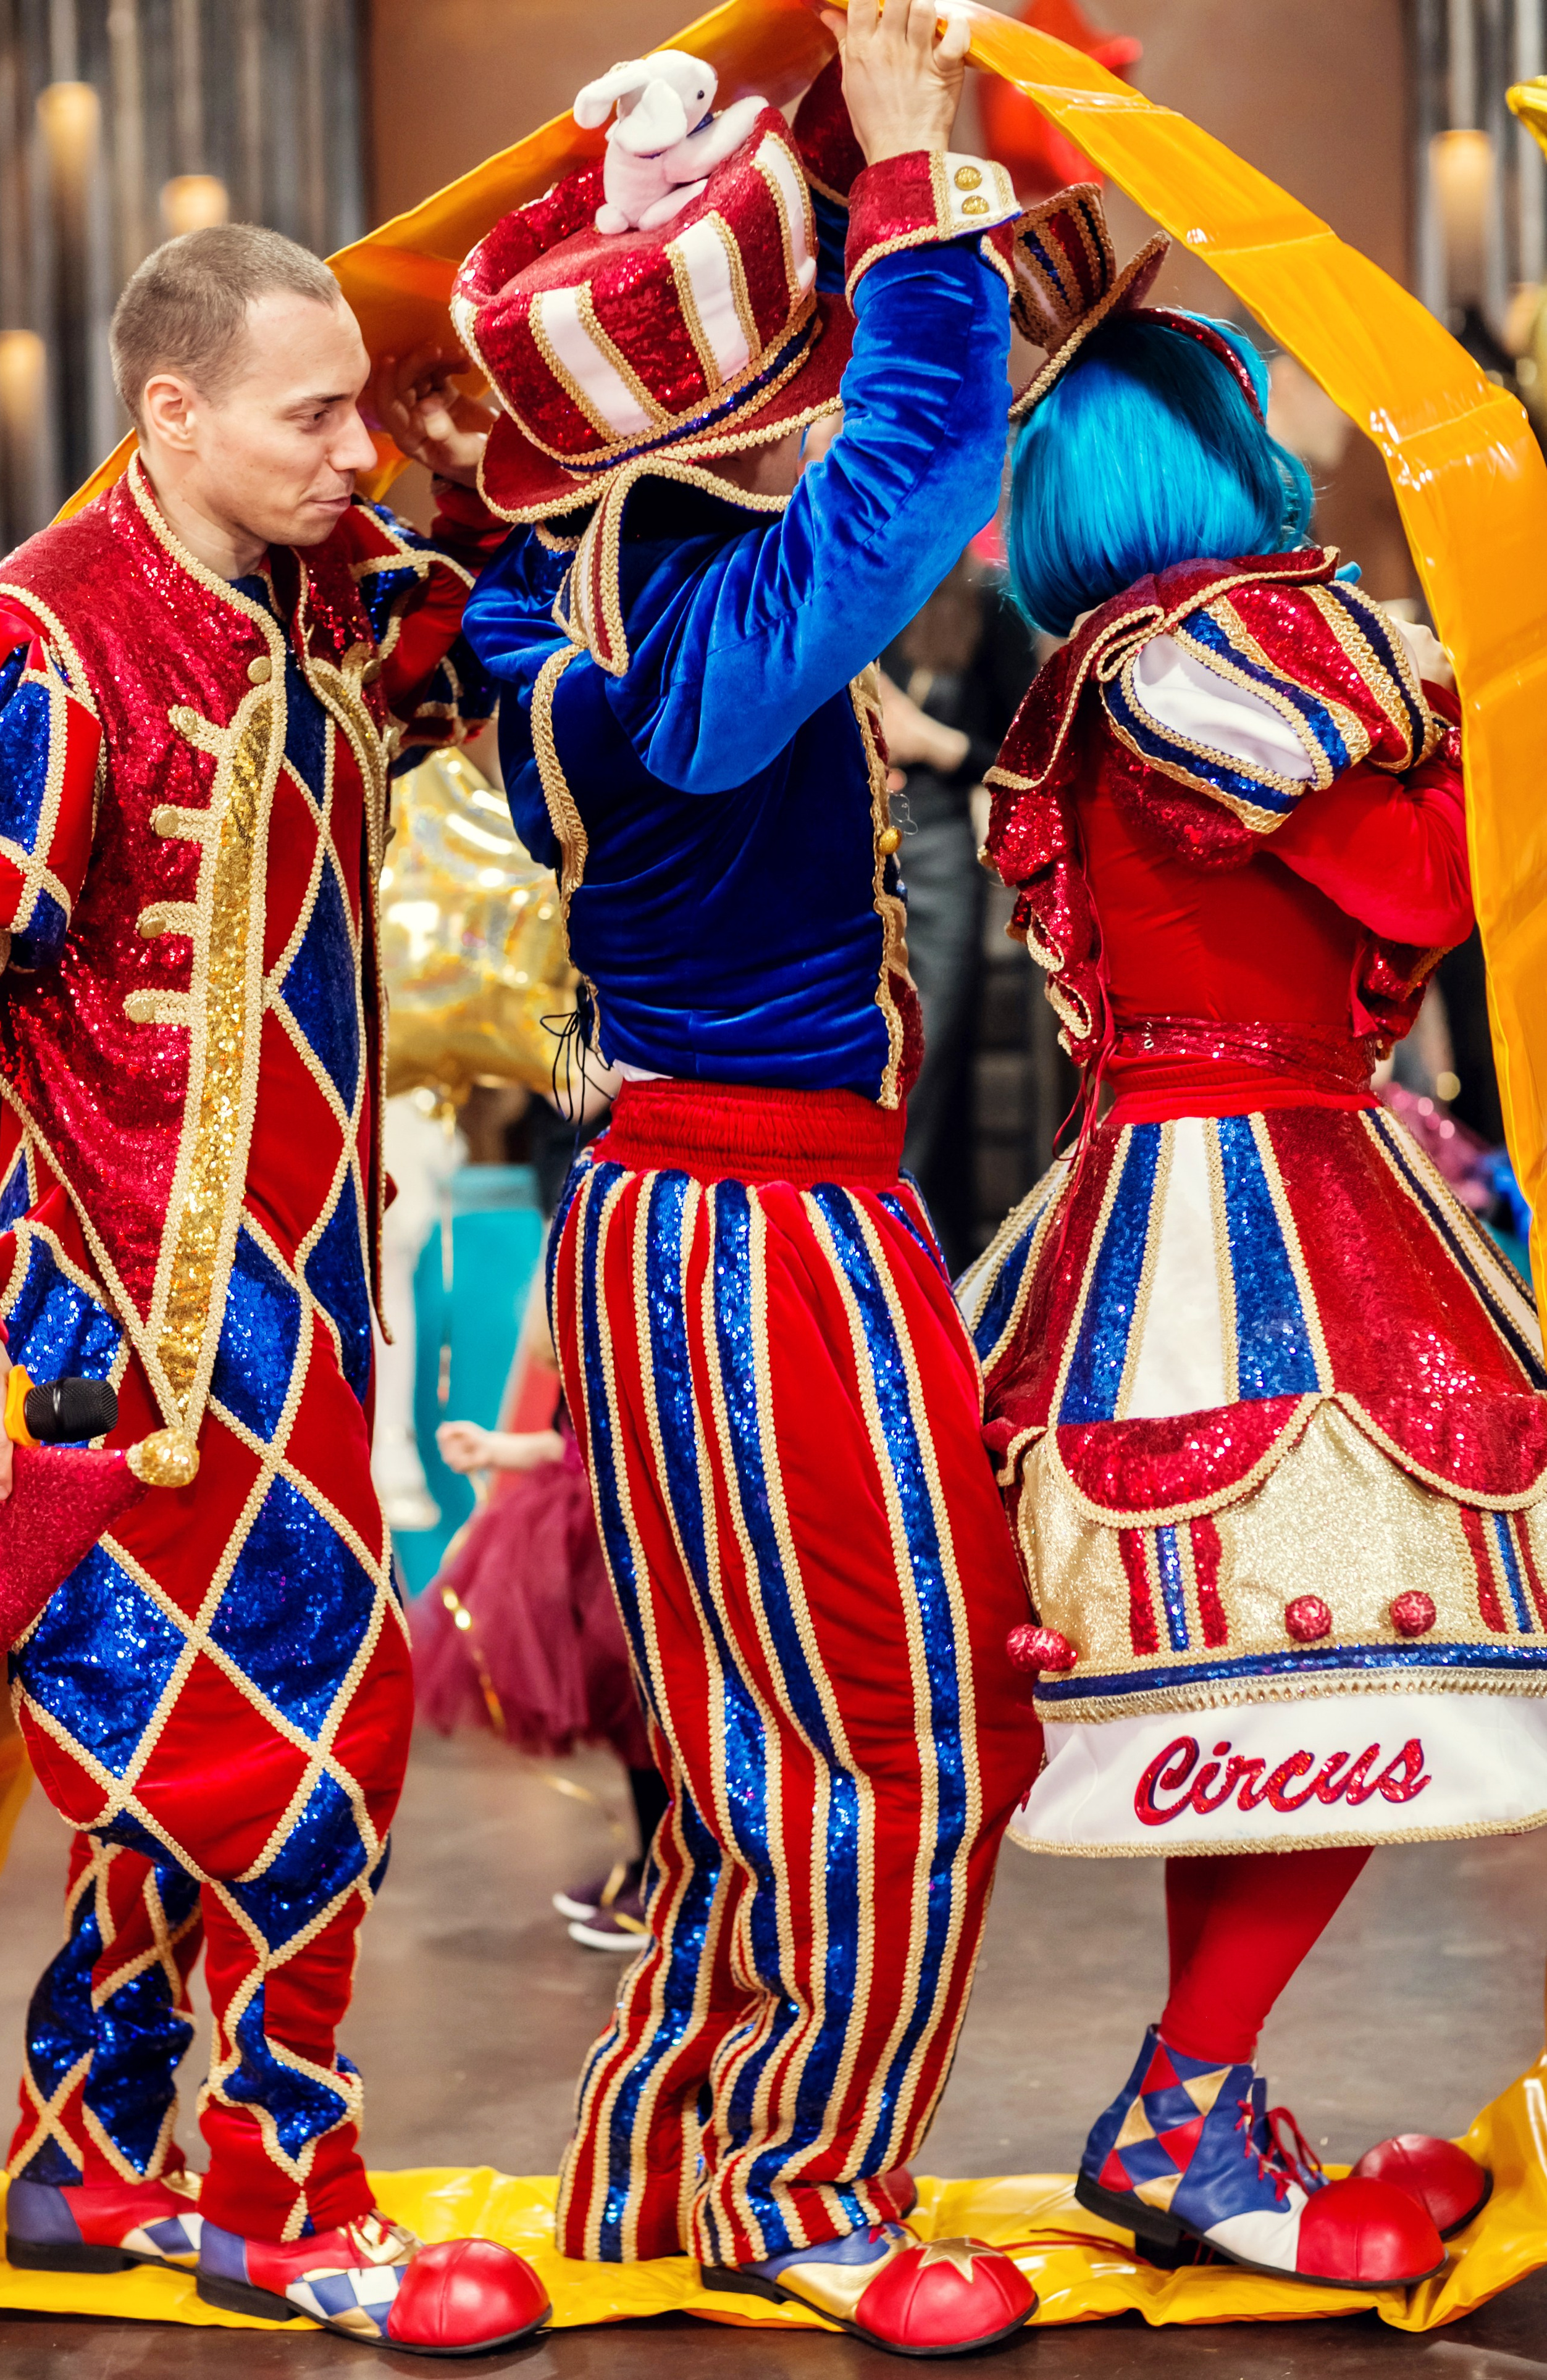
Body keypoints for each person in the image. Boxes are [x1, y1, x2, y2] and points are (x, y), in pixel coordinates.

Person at [448, 1, 1043, 2355]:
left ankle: (667, 2159)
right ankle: (796, 2175)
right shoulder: (680, 626)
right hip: (746, 1221)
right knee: (889, 1727)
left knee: (737, 1730)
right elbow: (894, 487)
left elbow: (830, 536)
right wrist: (902, 182)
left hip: (693, 1210)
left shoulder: (540, 599)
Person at [0, 223, 548, 2352]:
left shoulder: (321, 582)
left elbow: (479, 628)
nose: (355, 448)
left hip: (297, 1290)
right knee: (313, 1743)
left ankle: (85, 2157)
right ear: (170, 412)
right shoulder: (40, 644)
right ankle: (281, 2194)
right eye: (314, 414)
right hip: (132, 1317)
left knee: (156, 1756)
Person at [962, 186, 1528, 2289]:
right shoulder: (1219, 656)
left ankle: (1196, 2087)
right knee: (1370, 1668)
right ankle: (1187, 2098)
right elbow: (1427, 886)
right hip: (1264, 1201)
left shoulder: (1100, 670)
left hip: (1179, 1193)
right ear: (1216, 450)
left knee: (1278, 1703)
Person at [415, 1280, 670, 1952]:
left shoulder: (642, 1342)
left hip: (637, 1539)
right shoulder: (581, 1351)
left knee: (656, 1721)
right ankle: (650, 1862)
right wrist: (498, 1450)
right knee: (629, 1722)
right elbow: (570, 1444)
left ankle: (678, 1888)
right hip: (586, 1532)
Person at [878, 557, 1036, 1267]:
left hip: (934, 854)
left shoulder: (984, 601)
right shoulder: (849, 577)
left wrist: (933, 741)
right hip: (848, 848)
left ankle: (904, 1258)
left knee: (920, 1065)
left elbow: (1026, 759)